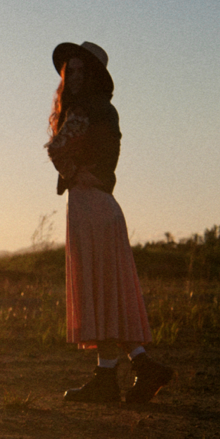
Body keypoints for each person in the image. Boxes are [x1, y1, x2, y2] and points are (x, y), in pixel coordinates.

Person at [46, 41, 174, 404]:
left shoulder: (85, 110)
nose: (74, 77)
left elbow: (55, 149)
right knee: (109, 293)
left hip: (90, 206)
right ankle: (132, 368)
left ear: (94, 77)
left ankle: (111, 376)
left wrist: (73, 172)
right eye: (71, 70)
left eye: (83, 71)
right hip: (104, 205)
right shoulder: (106, 110)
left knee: (99, 291)